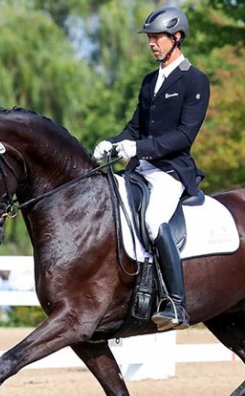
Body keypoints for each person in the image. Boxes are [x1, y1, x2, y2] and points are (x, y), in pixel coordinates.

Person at [93, 6, 210, 331]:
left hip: (171, 171)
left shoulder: (194, 80)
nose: (152, 43)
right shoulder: (149, 82)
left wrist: (139, 148)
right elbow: (135, 127)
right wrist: (113, 142)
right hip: (140, 170)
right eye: (150, 38)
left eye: (157, 37)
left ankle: (176, 304)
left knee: (153, 221)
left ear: (176, 38)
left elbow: (185, 135)